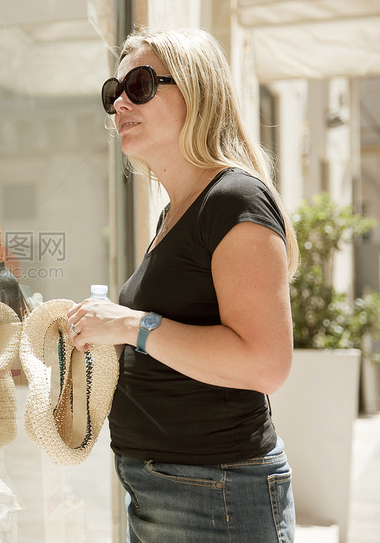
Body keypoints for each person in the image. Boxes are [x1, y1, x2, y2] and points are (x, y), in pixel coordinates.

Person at [65, 27, 299, 542]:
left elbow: (265, 363)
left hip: (217, 496)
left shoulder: (234, 200)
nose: (121, 102)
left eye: (141, 85)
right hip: (164, 489)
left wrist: (129, 324)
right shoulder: (175, 212)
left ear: (194, 91)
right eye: (114, 92)